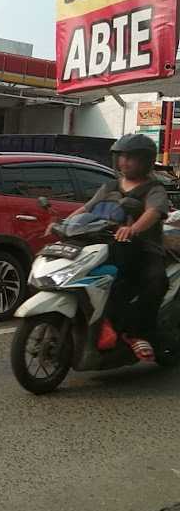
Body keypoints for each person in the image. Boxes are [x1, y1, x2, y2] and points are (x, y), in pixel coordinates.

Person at [52, 134, 169, 362]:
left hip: (143, 250)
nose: (124, 162)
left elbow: (153, 212)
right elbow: (86, 209)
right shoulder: (110, 186)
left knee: (155, 281)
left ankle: (138, 334)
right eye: (122, 157)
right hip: (107, 246)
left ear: (144, 161)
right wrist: (63, 225)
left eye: (131, 158)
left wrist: (133, 228)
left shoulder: (154, 189)